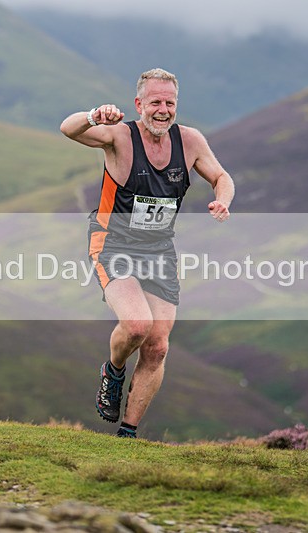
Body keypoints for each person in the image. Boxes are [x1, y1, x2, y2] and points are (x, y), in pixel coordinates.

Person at [60, 68, 234, 439]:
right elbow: (68, 128)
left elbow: (222, 176)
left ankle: (128, 435)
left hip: (159, 251)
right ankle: (113, 370)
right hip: (114, 244)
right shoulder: (119, 136)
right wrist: (93, 116)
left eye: (170, 103)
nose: (163, 110)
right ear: (139, 104)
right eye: (155, 102)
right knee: (138, 325)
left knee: (157, 346)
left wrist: (222, 201)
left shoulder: (189, 141)